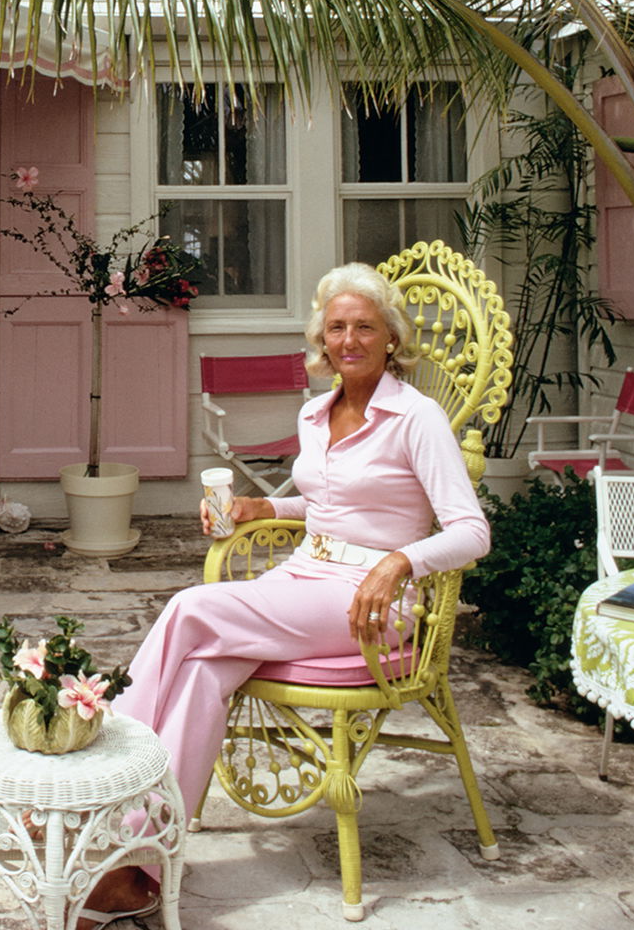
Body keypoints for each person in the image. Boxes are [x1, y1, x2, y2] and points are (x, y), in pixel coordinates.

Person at [77, 262, 491, 927]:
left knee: (189, 608)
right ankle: (138, 863)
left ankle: (97, 786)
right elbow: (328, 504)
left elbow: (473, 532)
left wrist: (398, 564)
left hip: (370, 603)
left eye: (364, 327)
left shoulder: (417, 418)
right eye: (337, 328)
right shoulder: (315, 412)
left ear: (391, 338)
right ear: (321, 339)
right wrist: (257, 507)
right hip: (305, 578)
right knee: (203, 673)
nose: (349, 339)